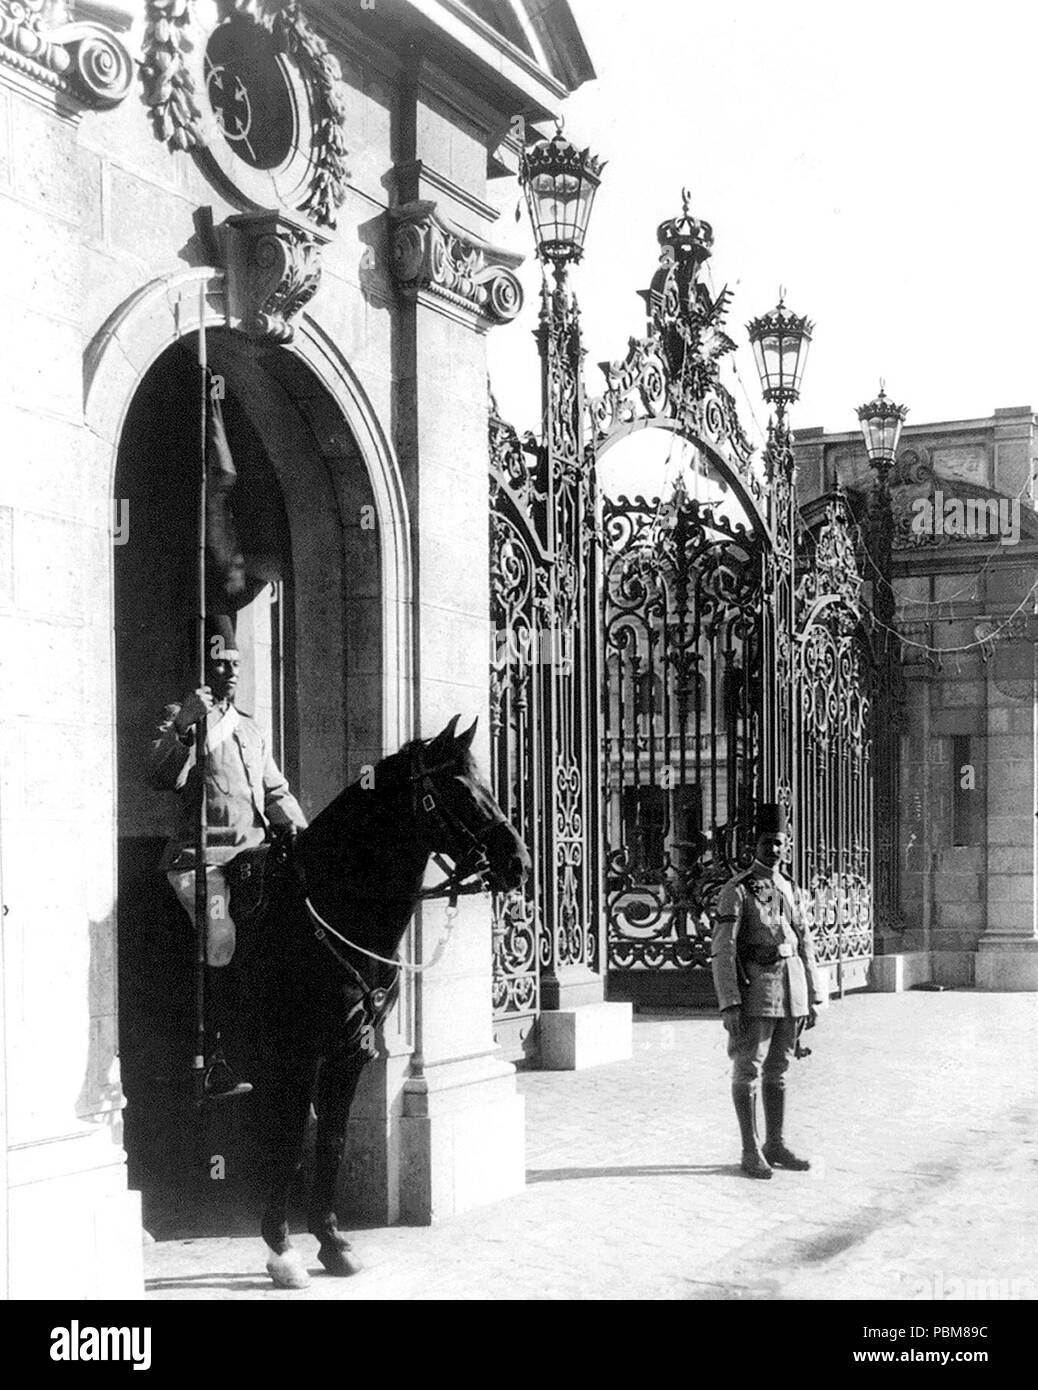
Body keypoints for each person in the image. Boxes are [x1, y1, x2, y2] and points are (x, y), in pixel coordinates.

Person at [147, 614, 307, 1098]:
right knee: (222, 938)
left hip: (252, 858)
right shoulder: (184, 719)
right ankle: (215, 1060)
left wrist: (304, 838)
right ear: (203, 667)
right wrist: (183, 724)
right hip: (201, 861)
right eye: (221, 662)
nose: (232, 671)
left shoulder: (252, 730)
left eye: (236, 662)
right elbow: (157, 775)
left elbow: (276, 792)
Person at [711, 803, 825, 1179]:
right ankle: (749, 1150)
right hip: (757, 989)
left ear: (786, 845)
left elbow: (805, 941)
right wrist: (729, 1001)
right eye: (765, 844)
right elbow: (723, 949)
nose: (772, 851)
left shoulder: (789, 888)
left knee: (779, 1071)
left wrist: (812, 994)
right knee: (749, 1069)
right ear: (754, 846)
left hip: (791, 989)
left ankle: (774, 1144)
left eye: (778, 843)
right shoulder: (737, 890)